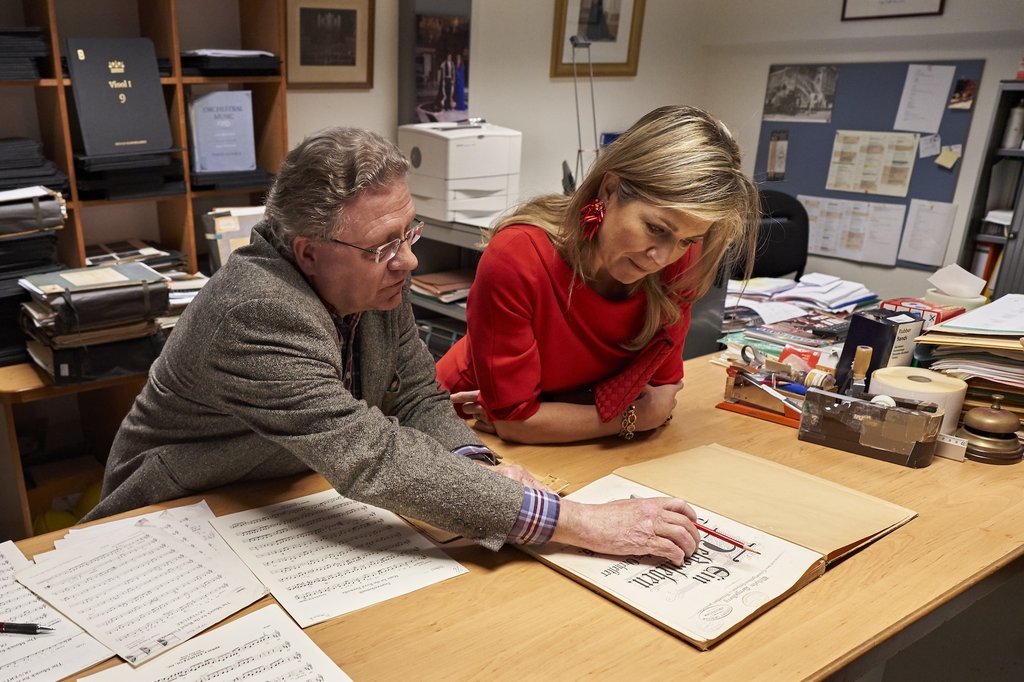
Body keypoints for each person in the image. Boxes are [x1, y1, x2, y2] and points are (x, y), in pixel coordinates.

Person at [82, 127, 704, 565]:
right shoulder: (255, 311)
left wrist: (476, 465)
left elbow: (415, 396)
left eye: (410, 233)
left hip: (277, 488)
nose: (408, 260)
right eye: (385, 245)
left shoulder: (371, 277)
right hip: (173, 515)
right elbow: (369, 453)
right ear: (308, 252)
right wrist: (576, 522)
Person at [437, 105, 759, 444]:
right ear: (609, 189)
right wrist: (634, 417)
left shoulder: (680, 261)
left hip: (574, 444)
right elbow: (516, 423)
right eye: (655, 228)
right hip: (459, 426)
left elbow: (662, 390)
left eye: (687, 240)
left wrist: (556, 415)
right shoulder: (518, 255)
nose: (662, 258)